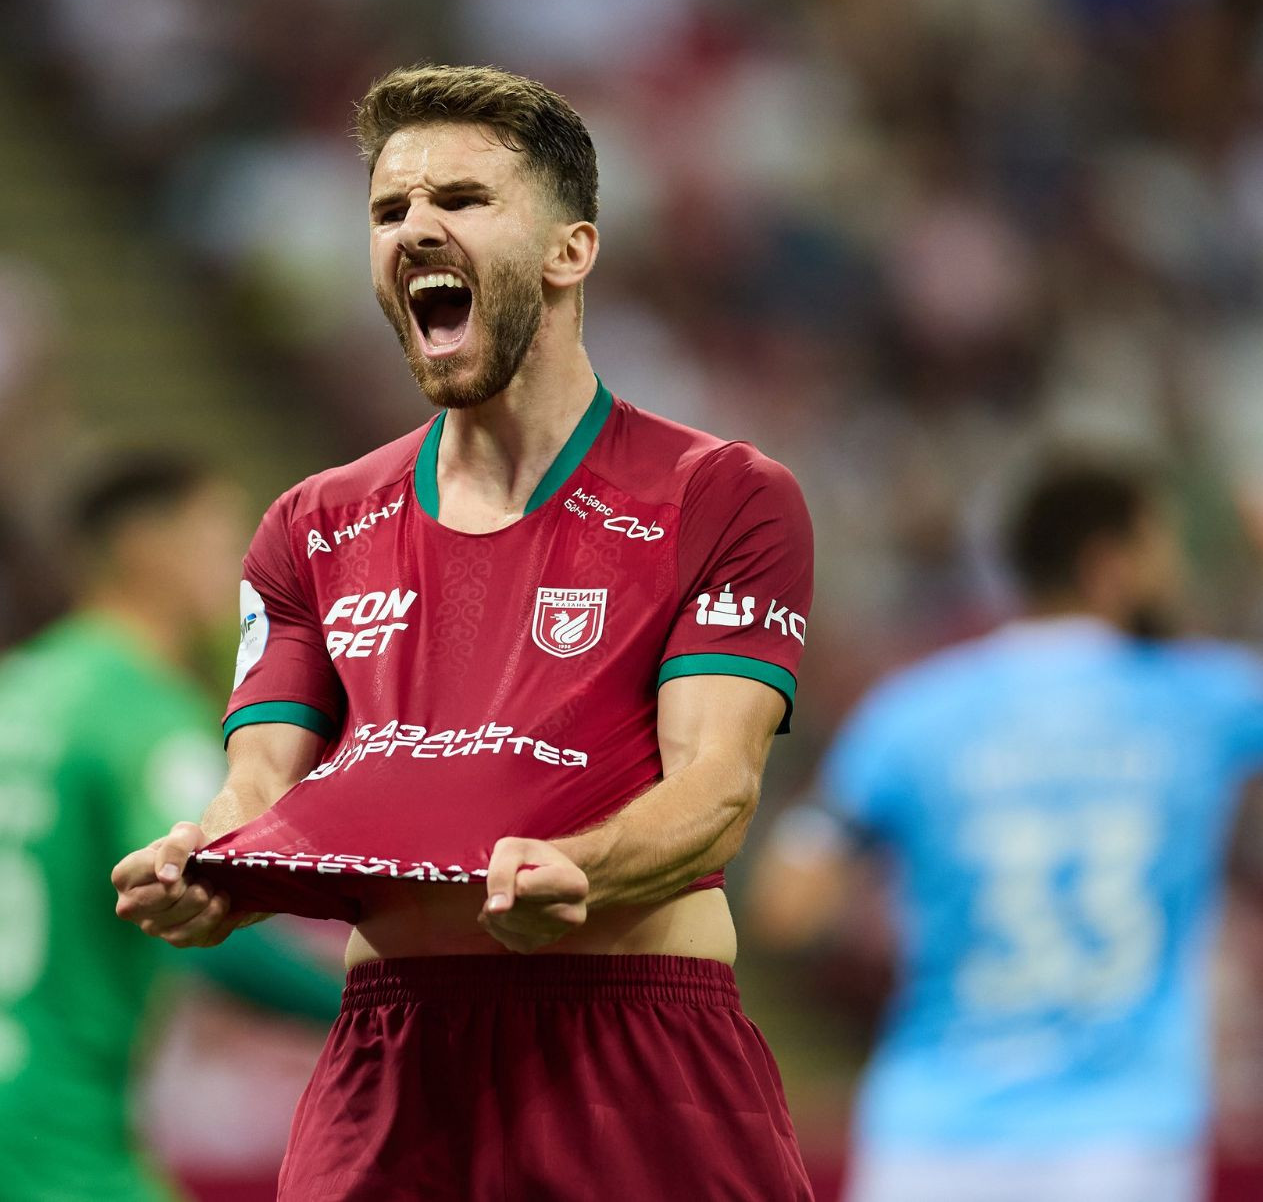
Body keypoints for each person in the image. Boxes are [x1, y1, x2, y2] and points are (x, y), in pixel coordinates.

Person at [113, 65, 816, 1199]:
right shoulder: (311, 525)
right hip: (392, 1060)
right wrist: (207, 864)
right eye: (389, 210)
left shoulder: (721, 496)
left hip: (632, 1050)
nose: (413, 229)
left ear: (569, 251)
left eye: (461, 199)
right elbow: (259, 786)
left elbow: (717, 788)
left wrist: (581, 869)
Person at [750, 458, 1263, 1202]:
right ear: (1110, 564)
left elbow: (787, 903)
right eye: (1162, 550)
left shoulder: (915, 710)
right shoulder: (1202, 696)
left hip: (930, 1137)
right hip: (1123, 1139)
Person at [0, 454, 342, 1202]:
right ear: (147, 550)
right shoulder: (138, 709)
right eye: (218, 540)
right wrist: (363, 1007)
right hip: (38, 1119)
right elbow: (209, 899)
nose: (244, 574)